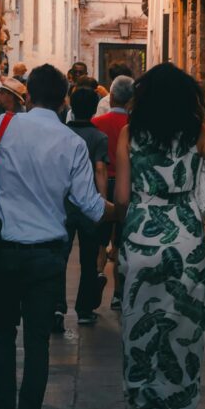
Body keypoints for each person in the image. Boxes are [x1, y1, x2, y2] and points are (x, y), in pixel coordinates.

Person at [0, 64, 114, 409]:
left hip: (4, 250)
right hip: (47, 254)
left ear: (28, 95)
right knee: (36, 343)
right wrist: (119, 212)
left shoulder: (1, 129)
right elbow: (88, 205)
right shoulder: (71, 144)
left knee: (1, 335)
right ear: (64, 99)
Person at [114, 63, 205, 409]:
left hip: (141, 241)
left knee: (139, 331)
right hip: (186, 245)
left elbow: (124, 195)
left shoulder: (129, 135)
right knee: (182, 335)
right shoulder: (195, 134)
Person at [52, 87, 109, 331]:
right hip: (88, 205)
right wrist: (102, 203)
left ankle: (56, 307)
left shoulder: (61, 134)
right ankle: (84, 309)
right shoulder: (99, 137)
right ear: (95, 108)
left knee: (59, 257)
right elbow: (100, 170)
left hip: (63, 203)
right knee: (88, 258)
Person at [92, 74, 134, 308]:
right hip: (126, 186)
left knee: (100, 239)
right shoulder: (134, 126)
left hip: (102, 185)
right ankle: (118, 293)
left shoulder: (97, 123)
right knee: (120, 242)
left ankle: (98, 275)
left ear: (112, 96)